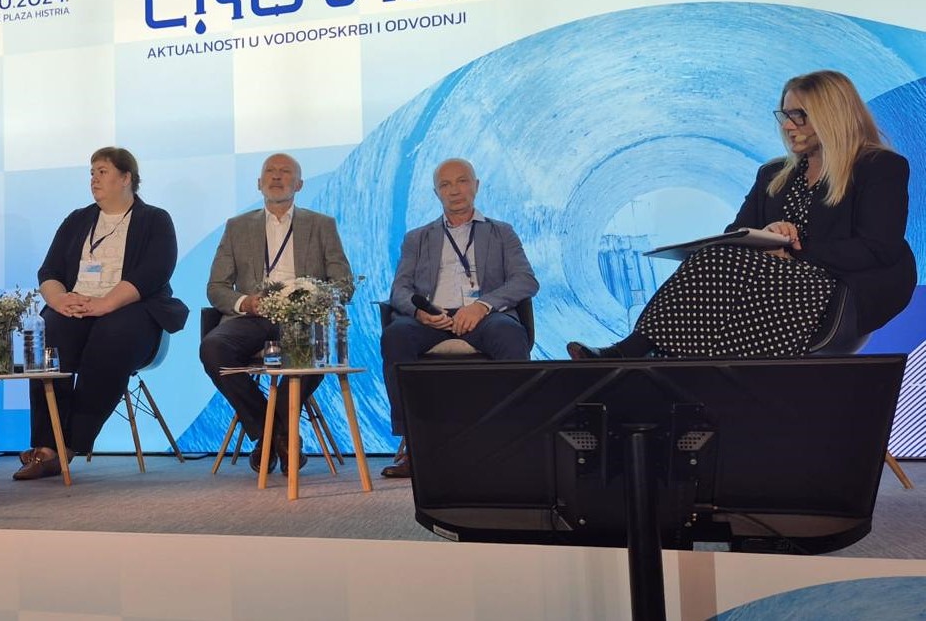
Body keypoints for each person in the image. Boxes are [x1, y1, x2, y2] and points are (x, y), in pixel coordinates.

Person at [568, 70, 915, 361]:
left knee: (720, 264)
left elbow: (878, 248)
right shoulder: (773, 175)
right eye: (784, 115)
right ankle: (654, 359)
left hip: (835, 288)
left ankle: (632, 352)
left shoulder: (879, 167)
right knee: (713, 256)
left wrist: (793, 248)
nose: (788, 126)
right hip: (769, 287)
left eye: (799, 116)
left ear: (832, 116)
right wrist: (768, 235)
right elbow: (736, 233)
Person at [14, 147, 189, 481]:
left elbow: (155, 271)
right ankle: (46, 447)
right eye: (92, 173)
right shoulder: (77, 220)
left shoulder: (155, 219)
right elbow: (49, 271)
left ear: (126, 178)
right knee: (48, 333)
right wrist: (60, 300)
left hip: (131, 308)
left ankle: (71, 444)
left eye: (102, 172)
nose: (94, 179)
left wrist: (105, 303)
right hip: (77, 306)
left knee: (112, 335)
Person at [379, 158, 539, 478]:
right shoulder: (417, 237)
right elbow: (400, 289)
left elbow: (525, 280)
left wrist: (483, 306)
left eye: (462, 181)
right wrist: (420, 312)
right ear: (436, 193)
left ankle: (513, 439)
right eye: (445, 184)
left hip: (484, 315)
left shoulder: (501, 232)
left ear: (476, 186)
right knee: (396, 336)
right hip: (433, 317)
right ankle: (413, 443)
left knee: (510, 335)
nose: (454, 190)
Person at [200, 153, 354, 474]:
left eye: (285, 172)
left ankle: (269, 436)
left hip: (301, 318)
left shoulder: (321, 225)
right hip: (253, 317)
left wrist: (311, 300)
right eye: (270, 171)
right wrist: (246, 302)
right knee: (213, 348)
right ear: (259, 183)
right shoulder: (237, 227)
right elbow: (216, 287)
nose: (276, 176)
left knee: (310, 351)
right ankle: (274, 432)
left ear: (299, 184)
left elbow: (343, 284)